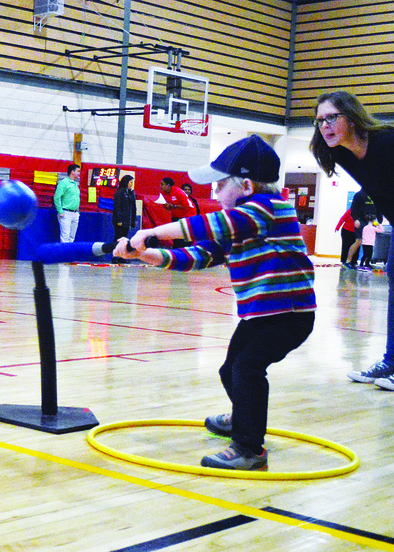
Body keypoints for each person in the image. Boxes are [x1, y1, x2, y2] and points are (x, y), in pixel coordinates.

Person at [114, 135, 316, 470]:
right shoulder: (239, 223)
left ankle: (250, 448)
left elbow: (204, 226)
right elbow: (199, 255)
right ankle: (243, 417)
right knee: (231, 369)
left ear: (247, 185)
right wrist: (146, 255)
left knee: (247, 368)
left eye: (220, 186)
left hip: (289, 314)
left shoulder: (268, 209)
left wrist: (148, 232)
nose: (215, 194)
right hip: (262, 315)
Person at [312, 90, 394, 391]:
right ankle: (393, 360)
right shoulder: (344, 152)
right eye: (320, 120)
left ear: (350, 118)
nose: (324, 125)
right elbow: (386, 196)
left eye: (331, 118)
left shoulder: (389, 142)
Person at [342, 189, 380, 269]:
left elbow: (379, 208)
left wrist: (379, 220)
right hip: (361, 220)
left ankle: (367, 263)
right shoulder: (359, 195)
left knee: (369, 243)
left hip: (371, 221)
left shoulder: (376, 195)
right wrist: (356, 219)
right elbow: (353, 208)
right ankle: (348, 261)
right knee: (359, 241)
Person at [159, 177, 194, 247]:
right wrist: (167, 206)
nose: (160, 186)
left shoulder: (178, 192)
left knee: (183, 237)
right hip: (175, 216)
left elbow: (187, 206)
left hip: (186, 216)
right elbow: (168, 208)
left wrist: (174, 206)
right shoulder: (163, 194)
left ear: (168, 185)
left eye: (162, 184)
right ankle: (176, 250)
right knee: (175, 235)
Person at [111, 174, 137, 263]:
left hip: (127, 221)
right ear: (126, 182)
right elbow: (117, 207)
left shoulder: (131, 193)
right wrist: (119, 220)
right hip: (120, 221)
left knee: (124, 239)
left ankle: (122, 256)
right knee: (118, 238)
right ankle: (114, 256)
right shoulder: (120, 193)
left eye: (132, 183)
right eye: (130, 182)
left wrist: (133, 220)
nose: (131, 184)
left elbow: (133, 208)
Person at [53, 163, 81, 243]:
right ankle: (63, 254)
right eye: (78, 171)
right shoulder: (64, 183)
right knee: (65, 236)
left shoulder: (75, 184)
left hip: (75, 213)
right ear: (72, 172)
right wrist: (60, 211)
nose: (79, 173)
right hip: (66, 212)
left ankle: (69, 254)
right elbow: (57, 197)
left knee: (72, 237)